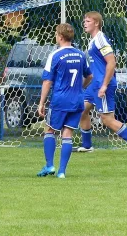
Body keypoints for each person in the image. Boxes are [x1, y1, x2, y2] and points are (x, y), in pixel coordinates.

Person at [75, 11, 127, 155]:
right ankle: (87, 145)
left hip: (102, 84)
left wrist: (105, 85)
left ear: (96, 23)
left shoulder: (101, 39)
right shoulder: (93, 40)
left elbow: (112, 62)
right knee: (81, 110)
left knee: (107, 120)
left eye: (88, 21)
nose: (85, 23)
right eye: (84, 21)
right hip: (94, 84)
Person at [37, 24, 92, 179]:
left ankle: (49, 165)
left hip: (60, 100)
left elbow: (47, 81)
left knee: (49, 130)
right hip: (77, 100)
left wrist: (41, 102)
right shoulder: (81, 55)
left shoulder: (55, 55)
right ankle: (61, 171)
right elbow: (90, 76)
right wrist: (80, 89)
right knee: (67, 133)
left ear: (60, 37)